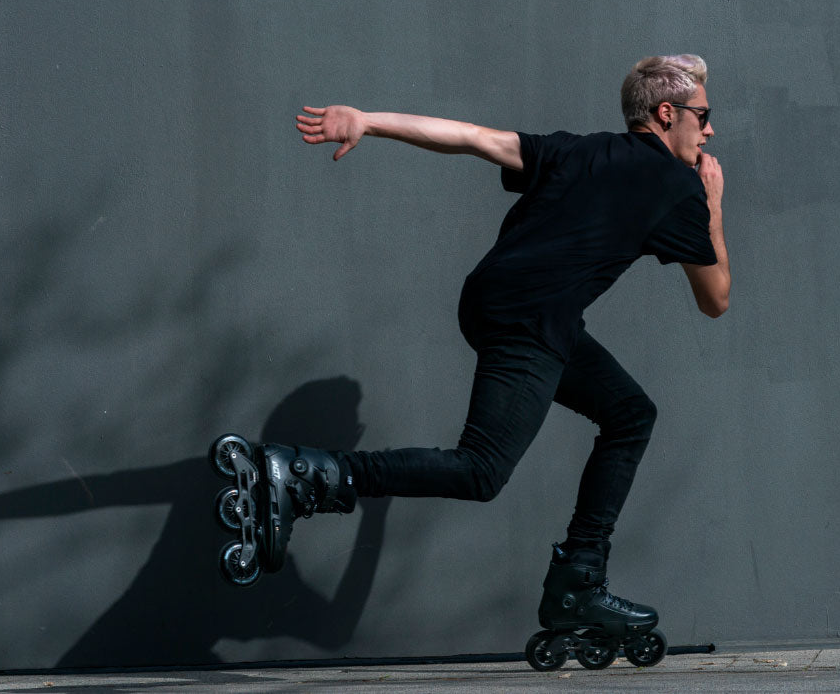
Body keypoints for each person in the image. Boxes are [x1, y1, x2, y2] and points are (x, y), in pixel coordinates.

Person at [238, 54, 728, 647]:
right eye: (703, 115)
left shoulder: (578, 150)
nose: (709, 131)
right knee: (481, 470)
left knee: (629, 413)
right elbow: (716, 299)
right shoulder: (680, 186)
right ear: (666, 113)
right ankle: (311, 473)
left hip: (495, 300)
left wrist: (368, 119)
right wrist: (713, 207)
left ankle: (579, 577)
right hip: (530, 318)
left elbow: (471, 138)